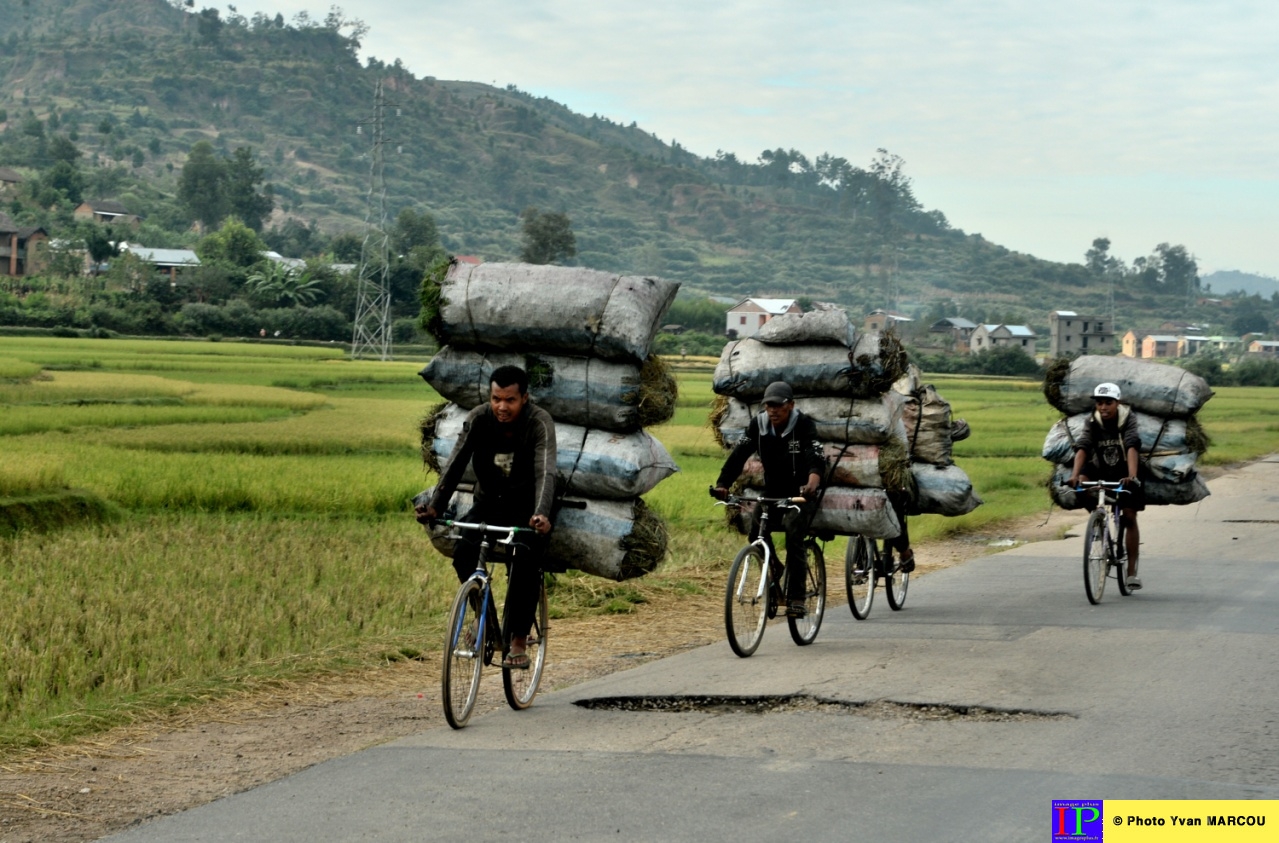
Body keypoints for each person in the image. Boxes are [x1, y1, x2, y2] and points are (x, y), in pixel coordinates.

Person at [414, 365, 558, 667]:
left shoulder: (539, 422)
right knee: (464, 552)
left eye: (510, 400)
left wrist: (541, 514)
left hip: (528, 507)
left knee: (525, 559)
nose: (501, 407)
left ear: (525, 398)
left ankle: (518, 640)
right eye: (496, 399)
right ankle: (484, 620)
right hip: (490, 502)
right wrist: (436, 505)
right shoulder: (479, 418)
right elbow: (456, 462)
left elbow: (545, 470)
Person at [711, 381, 825, 618]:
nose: (773, 410)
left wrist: (813, 482)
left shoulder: (803, 425)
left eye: (778, 406)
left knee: (794, 531)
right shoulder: (758, 425)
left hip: (801, 495)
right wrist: (723, 483)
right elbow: (739, 455)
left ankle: (796, 597)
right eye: (769, 405)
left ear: (791, 405)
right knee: (755, 531)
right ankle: (774, 566)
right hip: (773, 493)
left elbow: (815, 457)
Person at [1067, 381, 1144, 589]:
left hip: (1125, 471)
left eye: (1108, 403)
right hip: (1099, 468)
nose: (1103, 407)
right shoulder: (1092, 420)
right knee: (1081, 486)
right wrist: (1074, 475)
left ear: (1117, 402)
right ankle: (1097, 519)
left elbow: (1131, 445)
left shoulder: (1128, 418)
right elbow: (1083, 446)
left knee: (1129, 515)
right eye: (1100, 403)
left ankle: (1131, 573)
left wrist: (1132, 475)